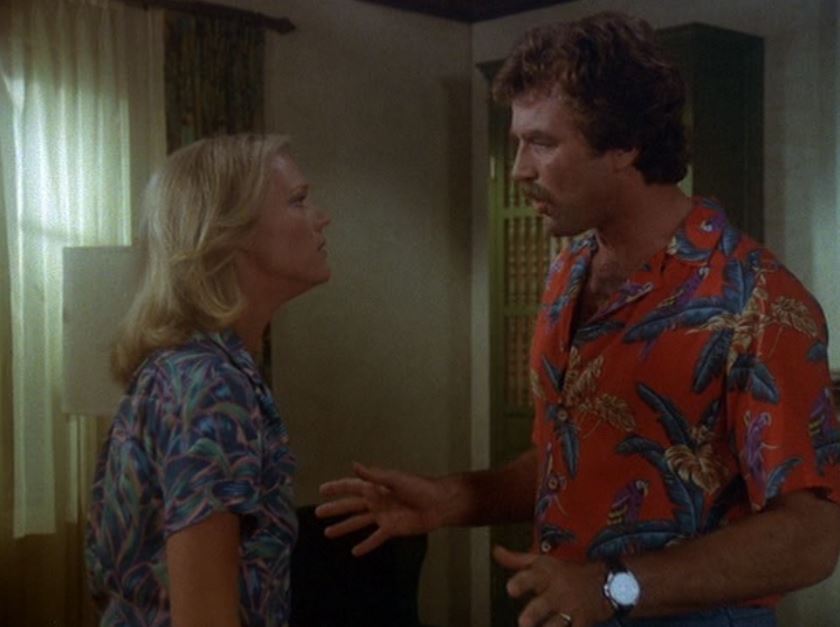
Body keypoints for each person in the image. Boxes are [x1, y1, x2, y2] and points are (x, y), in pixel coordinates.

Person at [316, 12, 840, 627]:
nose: (519, 168)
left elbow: (810, 537)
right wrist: (452, 498)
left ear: (625, 146)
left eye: (542, 143)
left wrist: (612, 587)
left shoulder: (759, 301)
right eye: (518, 142)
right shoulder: (568, 273)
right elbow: (564, 460)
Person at [85, 134, 331, 626]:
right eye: (298, 200)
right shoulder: (211, 388)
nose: (321, 217)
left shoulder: (200, 369)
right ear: (229, 233)